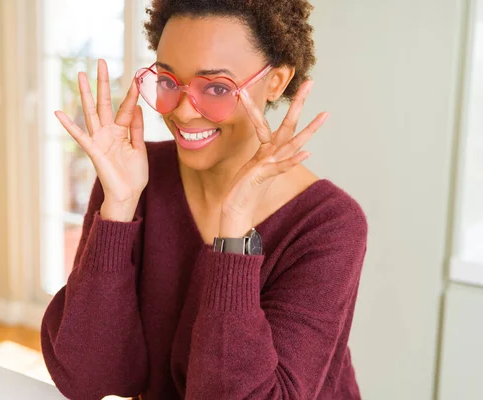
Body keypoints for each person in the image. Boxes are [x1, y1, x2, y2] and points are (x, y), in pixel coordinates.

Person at [41, 1, 368, 399]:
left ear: (277, 81)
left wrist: (234, 239)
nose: (181, 111)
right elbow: (88, 379)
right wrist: (118, 211)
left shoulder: (329, 225)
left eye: (216, 88)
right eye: (167, 81)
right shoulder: (133, 180)